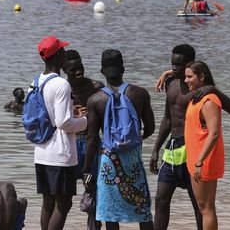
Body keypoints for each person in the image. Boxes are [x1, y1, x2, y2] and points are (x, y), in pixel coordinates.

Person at [150, 44, 230, 230]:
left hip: (193, 149)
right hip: (172, 148)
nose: (174, 68)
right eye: (172, 64)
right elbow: (167, 118)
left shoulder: (201, 89)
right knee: (160, 198)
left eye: (178, 65)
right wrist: (156, 148)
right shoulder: (171, 83)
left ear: (190, 65)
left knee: (200, 204)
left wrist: (213, 89)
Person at [83, 49, 155, 229]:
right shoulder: (140, 94)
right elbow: (151, 127)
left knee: (110, 213)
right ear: (123, 68)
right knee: (142, 209)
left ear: (102, 72)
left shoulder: (95, 100)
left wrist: (86, 170)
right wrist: (136, 139)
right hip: (133, 160)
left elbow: (92, 138)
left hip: (109, 161)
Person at [34, 35, 89, 230]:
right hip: (60, 154)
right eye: (63, 51)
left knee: (48, 203)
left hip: (41, 152)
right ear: (58, 56)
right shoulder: (61, 84)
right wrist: (84, 121)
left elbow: (49, 114)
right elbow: (63, 123)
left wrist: (71, 114)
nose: (66, 54)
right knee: (63, 204)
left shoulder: (37, 82)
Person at [63, 49, 105, 230]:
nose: (78, 72)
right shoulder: (62, 89)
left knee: (94, 192)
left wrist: (94, 114)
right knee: (63, 196)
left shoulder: (96, 87)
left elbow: (107, 119)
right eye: (73, 70)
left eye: (80, 67)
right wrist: (71, 113)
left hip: (91, 143)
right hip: (69, 145)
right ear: (65, 70)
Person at [183, 61, 226, 230]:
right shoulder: (197, 96)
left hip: (204, 160)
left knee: (206, 208)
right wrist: (167, 73)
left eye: (190, 77)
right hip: (196, 158)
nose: (186, 80)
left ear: (201, 77)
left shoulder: (209, 100)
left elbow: (214, 133)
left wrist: (199, 161)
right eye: (185, 76)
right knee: (204, 208)